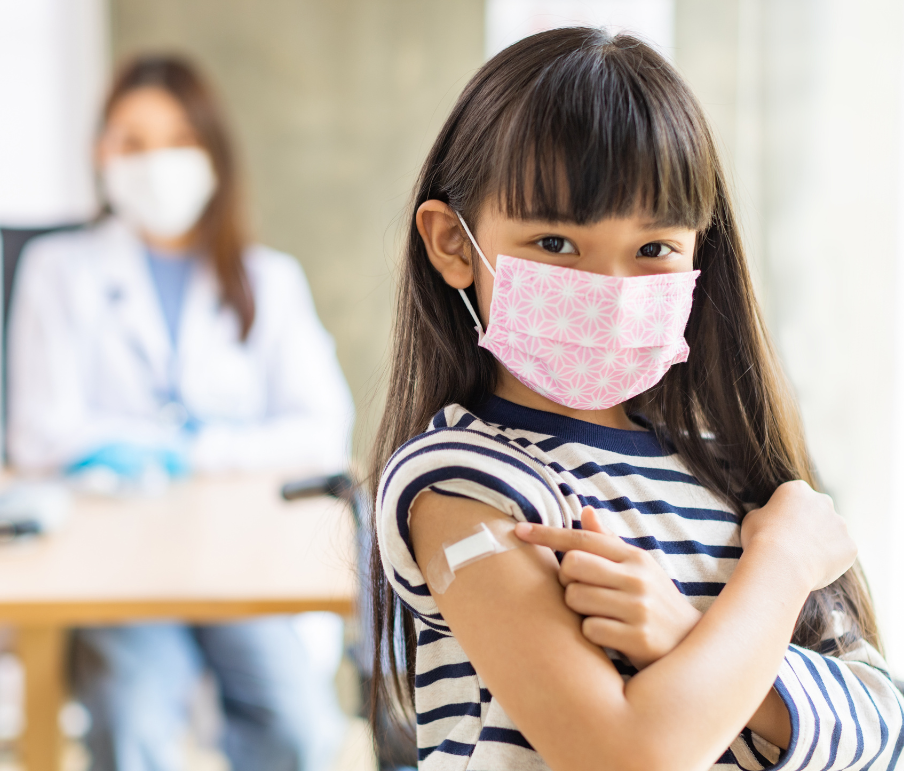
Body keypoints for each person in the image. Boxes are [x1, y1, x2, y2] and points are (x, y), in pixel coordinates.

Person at [368, 28, 904, 770]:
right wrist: (778, 567)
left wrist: (684, 634)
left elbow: (881, 726)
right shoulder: (464, 482)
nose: (613, 292)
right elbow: (625, 754)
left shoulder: (732, 469)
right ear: (453, 244)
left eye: (654, 250)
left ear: (698, 255)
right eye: (555, 243)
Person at [7, 55, 351, 771]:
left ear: (212, 154)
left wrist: (191, 450)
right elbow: (39, 432)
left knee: (297, 726)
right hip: (118, 563)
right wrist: (196, 445)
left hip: (242, 559)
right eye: (132, 141)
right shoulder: (58, 270)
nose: (155, 163)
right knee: (131, 725)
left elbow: (320, 429)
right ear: (101, 153)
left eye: (177, 140)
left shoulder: (267, 279)